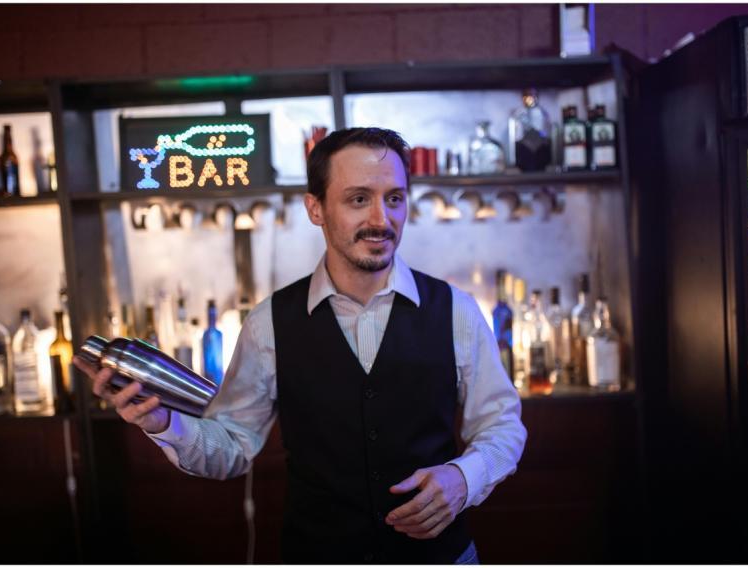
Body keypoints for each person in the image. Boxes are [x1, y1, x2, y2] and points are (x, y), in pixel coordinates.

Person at [73, 127, 527, 564]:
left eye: (394, 199)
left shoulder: (456, 310)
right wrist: (163, 422)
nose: (380, 220)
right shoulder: (269, 322)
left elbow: (503, 426)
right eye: (358, 200)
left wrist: (462, 478)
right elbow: (230, 447)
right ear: (316, 208)